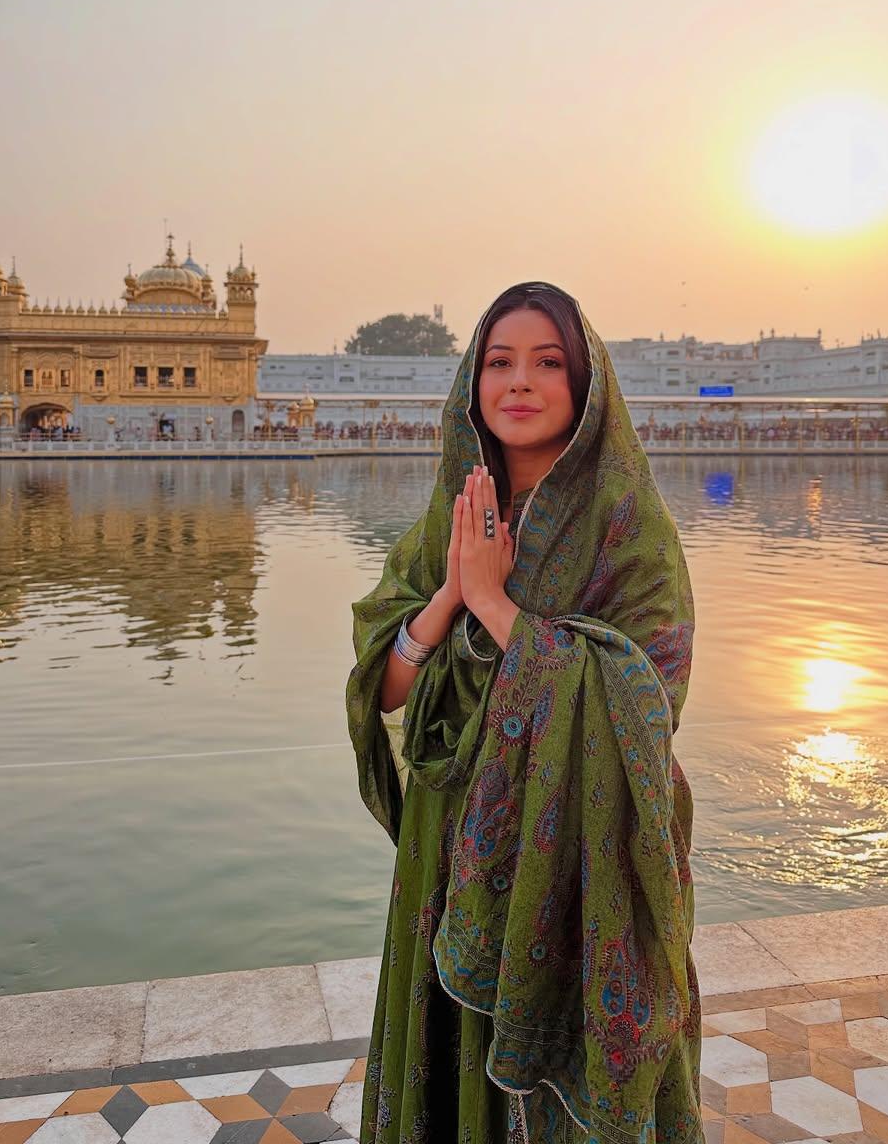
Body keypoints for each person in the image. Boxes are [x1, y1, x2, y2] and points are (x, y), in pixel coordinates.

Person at [347, 282, 701, 1144]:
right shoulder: (451, 516)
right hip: (450, 841)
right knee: (450, 1067)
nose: (519, 382)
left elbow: (647, 701)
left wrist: (495, 607)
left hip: (575, 846)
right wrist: (451, 593)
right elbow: (384, 693)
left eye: (548, 363)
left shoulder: (628, 526)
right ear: (472, 385)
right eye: (499, 362)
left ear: (587, 385)